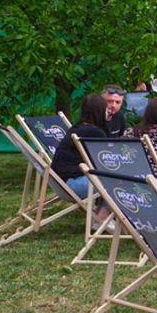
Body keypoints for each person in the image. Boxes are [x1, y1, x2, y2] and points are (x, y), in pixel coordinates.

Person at [50, 94, 111, 222]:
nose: (109, 111)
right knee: (117, 180)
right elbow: (107, 161)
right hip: (74, 185)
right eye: (106, 108)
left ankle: (101, 213)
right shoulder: (95, 132)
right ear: (99, 111)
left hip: (61, 184)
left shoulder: (77, 128)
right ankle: (102, 217)